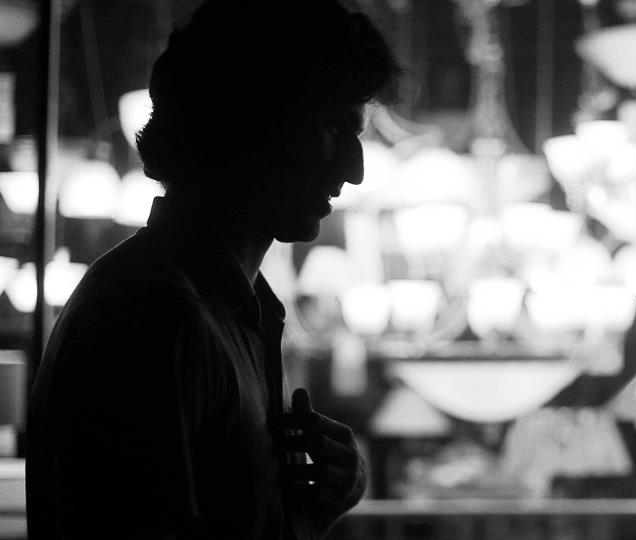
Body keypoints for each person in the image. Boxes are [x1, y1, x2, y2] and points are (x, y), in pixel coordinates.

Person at [26, 0, 399, 538]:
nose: (355, 169)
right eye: (334, 127)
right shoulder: (153, 315)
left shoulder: (227, 309)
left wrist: (305, 510)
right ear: (250, 124)